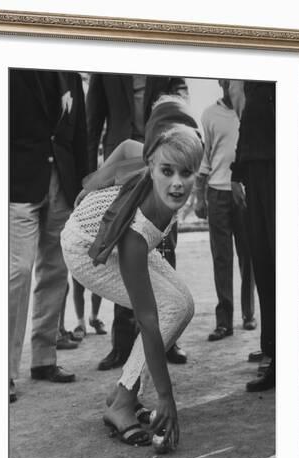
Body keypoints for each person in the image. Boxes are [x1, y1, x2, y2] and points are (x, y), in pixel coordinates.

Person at [61, 95, 203, 448]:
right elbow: (148, 320)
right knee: (167, 310)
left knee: (183, 305)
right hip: (85, 249)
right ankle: (122, 403)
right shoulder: (137, 231)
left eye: (186, 173)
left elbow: (125, 146)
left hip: (116, 236)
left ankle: (122, 392)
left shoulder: (159, 153)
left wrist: (93, 183)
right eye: (167, 172)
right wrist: (166, 396)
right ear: (152, 164)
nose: (176, 183)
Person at [86, 73, 189, 371]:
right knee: (123, 248)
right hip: (122, 166)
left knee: (164, 248)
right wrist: (93, 178)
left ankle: (168, 339)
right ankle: (122, 344)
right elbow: (93, 122)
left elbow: (180, 102)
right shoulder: (105, 67)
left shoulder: (168, 61)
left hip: (163, 161)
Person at [9, 68, 88, 402]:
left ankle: (43, 359)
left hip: (63, 184)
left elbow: (80, 134)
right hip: (18, 182)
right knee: (19, 270)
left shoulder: (71, 72)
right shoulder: (9, 66)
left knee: (56, 270)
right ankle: (3, 370)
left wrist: (83, 187)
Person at [194, 79, 256, 341]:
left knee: (248, 257)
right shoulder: (209, 115)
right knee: (221, 258)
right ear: (220, 81)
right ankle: (224, 322)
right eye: (226, 77)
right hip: (217, 192)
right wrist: (199, 197)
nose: (231, 82)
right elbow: (205, 157)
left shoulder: (250, 110)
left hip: (243, 192)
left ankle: (249, 315)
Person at [230, 80, 276, 392]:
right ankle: (274, 355)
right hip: (255, 171)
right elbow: (248, 119)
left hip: (291, 164)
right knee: (264, 264)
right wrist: (236, 173)